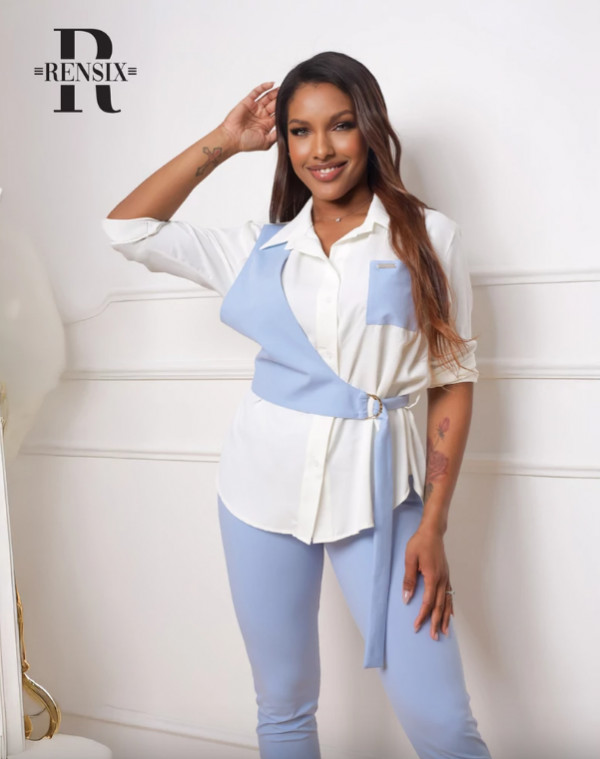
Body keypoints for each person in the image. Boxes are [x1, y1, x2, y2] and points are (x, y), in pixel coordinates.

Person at [102, 51, 492, 759]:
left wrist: (433, 523)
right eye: (300, 131)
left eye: (340, 125)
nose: (322, 149)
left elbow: (452, 382)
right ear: (282, 142)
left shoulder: (430, 238)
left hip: (382, 496)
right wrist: (226, 141)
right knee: (282, 707)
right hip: (259, 492)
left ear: (369, 127)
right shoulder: (260, 249)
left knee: (441, 722)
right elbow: (128, 228)